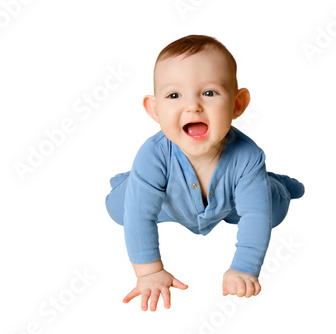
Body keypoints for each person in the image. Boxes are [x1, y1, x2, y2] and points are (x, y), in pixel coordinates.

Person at [105, 35, 304, 311]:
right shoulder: (153, 155)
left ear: (237, 104)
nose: (193, 106)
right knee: (121, 209)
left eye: (209, 93)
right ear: (155, 109)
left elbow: (255, 216)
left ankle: (278, 184)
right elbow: (140, 215)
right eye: (174, 95)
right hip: (170, 205)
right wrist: (149, 272)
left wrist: (244, 268)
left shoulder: (248, 156)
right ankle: (136, 182)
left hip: (231, 203)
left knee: (272, 211)